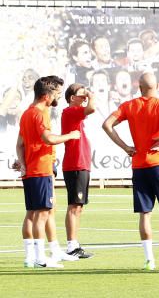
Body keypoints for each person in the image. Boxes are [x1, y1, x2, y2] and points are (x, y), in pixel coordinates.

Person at [102, 72, 159, 271]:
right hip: (158, 163)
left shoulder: (129, 106)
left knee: (145, 213)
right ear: (158, 85)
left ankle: (149, 260)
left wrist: (125, 147)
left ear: (139, 87)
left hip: (139, 166)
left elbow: (106, 125)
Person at [15, 76, 78, 269]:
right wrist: (70, 136)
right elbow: (48, 138)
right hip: (41, 169)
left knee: (33, 213)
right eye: (56, 93)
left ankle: (31, 257)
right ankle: (41, 258)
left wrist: (23, 164)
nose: (57, 97)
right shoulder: (39, 113)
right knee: (42, 214)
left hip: (32, 170)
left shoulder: (27, 113)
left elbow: (20, 144)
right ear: (46, 95)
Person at [60, 83, 96, 259]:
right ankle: (71, 245)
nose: (85, 98)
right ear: (72, 98)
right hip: (75, 164)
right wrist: (91, 95)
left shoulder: (75, 115)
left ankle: (74, 244)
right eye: (81, 95)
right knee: (74, 206)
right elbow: (92, 108)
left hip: (80, 165)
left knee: (78, 206)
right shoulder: (69, 111)